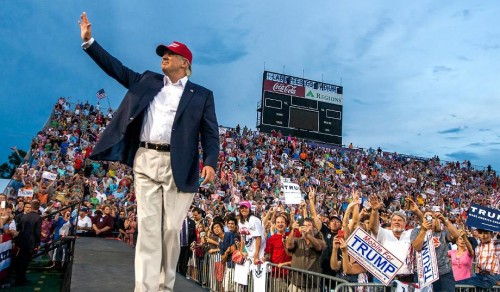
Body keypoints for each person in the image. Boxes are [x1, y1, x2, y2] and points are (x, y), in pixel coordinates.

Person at [79, 11, 219, 292]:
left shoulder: (202, 95)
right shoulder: (147, 80)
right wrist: (89, 42)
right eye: (163, 53)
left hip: (180, 165)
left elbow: (211, 133)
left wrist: (211, 162)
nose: (164, 56)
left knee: (170, 231)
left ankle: (165, 287)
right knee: (149, 230)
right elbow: (116, 68)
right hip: (145, 160)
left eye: (171, 53)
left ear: (185, 63)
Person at [368, 195, 423, 283]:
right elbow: (373, 227)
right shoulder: (384, 233)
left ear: (405, 223)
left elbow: (425, 226)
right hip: (386, 279)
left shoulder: (410, 233)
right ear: (391, 223)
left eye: (400, 220)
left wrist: (417, 211)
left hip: (407, 279)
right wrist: (374, 211)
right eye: (394, 220)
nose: (397, 222)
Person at [410, 210, 460, 292]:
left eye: (432, 217)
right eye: (426, 217)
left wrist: (445, 221)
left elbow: (457, 236)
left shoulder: (443, 233)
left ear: (436, 220)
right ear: (422, 220)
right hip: (424, 274)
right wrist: (423, 230)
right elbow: (417, 247)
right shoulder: (416, 231)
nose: (429, 219)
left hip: (444, 273)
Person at [286, 217, 326, 292]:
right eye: (304, 225)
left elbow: (318, 246)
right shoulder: (297, 240)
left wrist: (307, 235)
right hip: (296, 284)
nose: (305, 227)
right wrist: (293, 230)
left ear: (314, 228)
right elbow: (289, 245)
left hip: (312, 286)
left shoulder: (320, 241)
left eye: (308, 225)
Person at [14, 200, 42, 286]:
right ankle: (20, 280)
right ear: (38, 207)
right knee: (25, 262)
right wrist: (38, 244)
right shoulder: (38, 218)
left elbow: (19, 229)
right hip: (30, 243)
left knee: (21, 261)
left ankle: (21, 278)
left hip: (22, 241)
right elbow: (37, 232)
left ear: (32, 207)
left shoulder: (24, 217)